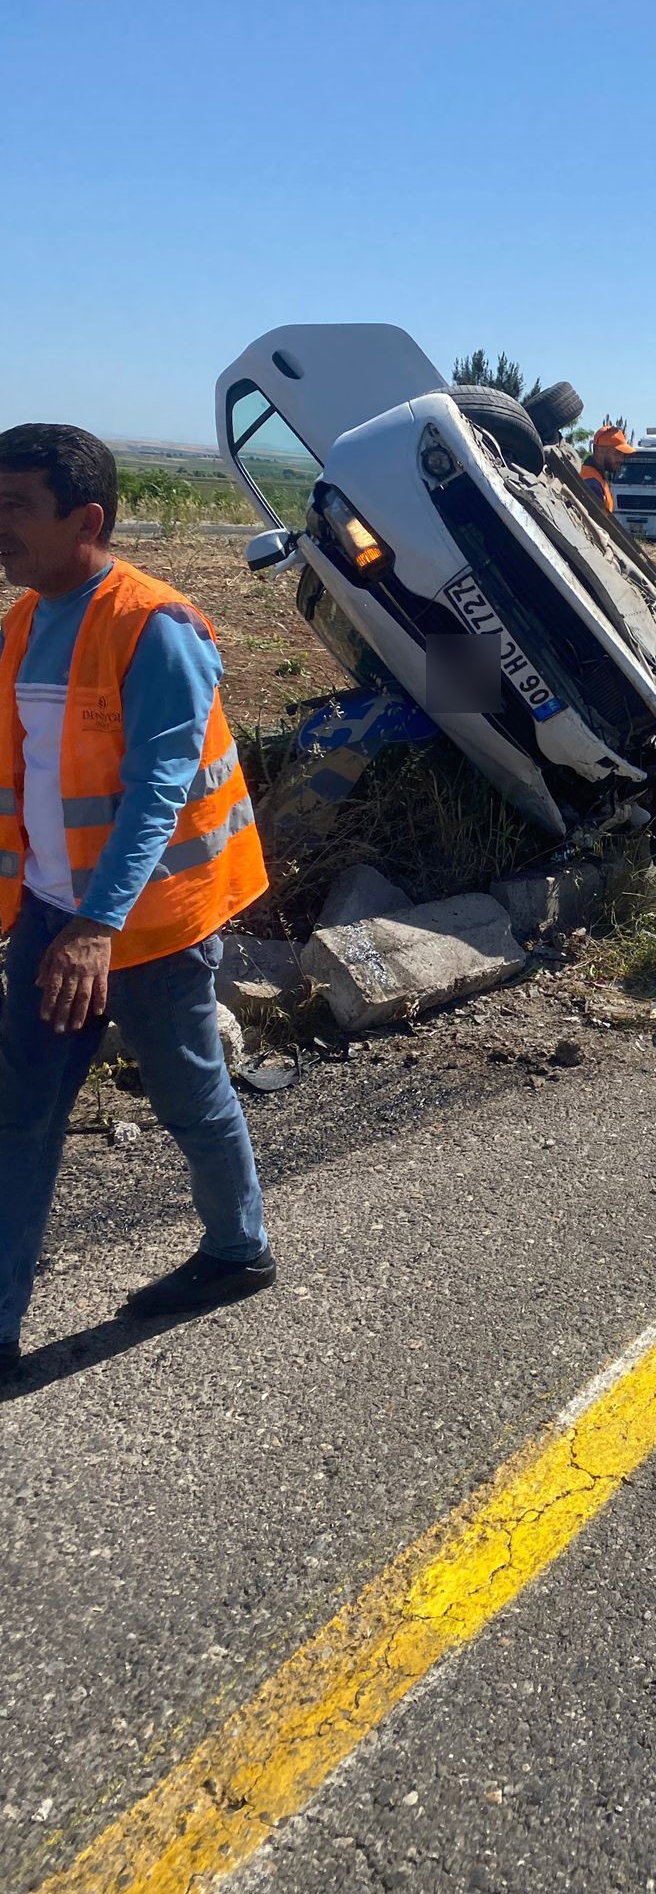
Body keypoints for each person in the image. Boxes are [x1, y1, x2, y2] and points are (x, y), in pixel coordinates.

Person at [0, 425, 273, 1379]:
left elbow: (159, 789)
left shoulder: (156, 625)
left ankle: (238, 1249)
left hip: (146, 922)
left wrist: (96, 928)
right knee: (19, 1117)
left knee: (189, 1092)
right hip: (48, 915)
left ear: (89, 520)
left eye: (15, 509)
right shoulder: (23, 625)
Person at [579, 423, 638, 513]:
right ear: (599, 451)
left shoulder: (597, 478)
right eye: (617, 453)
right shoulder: (592, 485)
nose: (621, 459)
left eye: (623, 455)